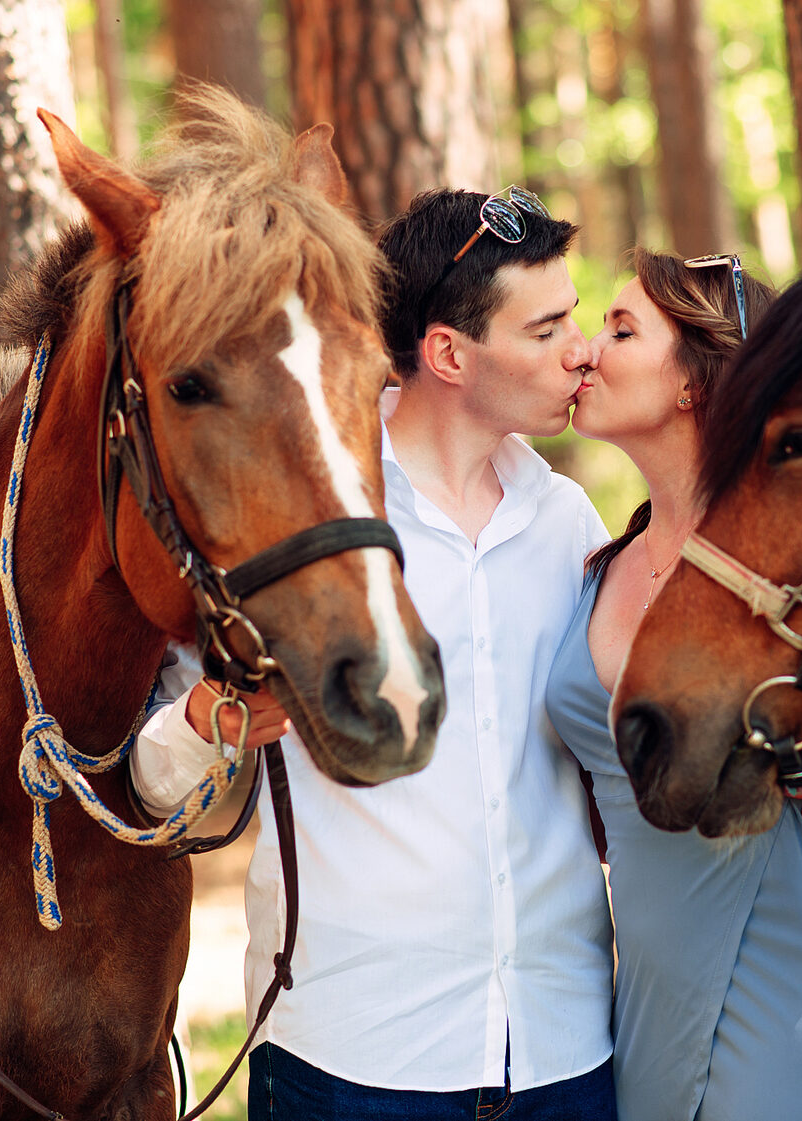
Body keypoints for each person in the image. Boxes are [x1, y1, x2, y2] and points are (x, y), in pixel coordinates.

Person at [132, 186, 617, 1119]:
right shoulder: (303, 514)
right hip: (351, 1062)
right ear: (447, 353)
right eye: (549, 325)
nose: (580, 349)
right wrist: (213, 721)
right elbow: (154, 781)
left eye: (581, 319)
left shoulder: (567, 523)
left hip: (565, 1053)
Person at [545, 248, 802, 1121]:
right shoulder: (593, 569)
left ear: (695, 380)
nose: (584, 350)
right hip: (647, 1006)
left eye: (620, 329)